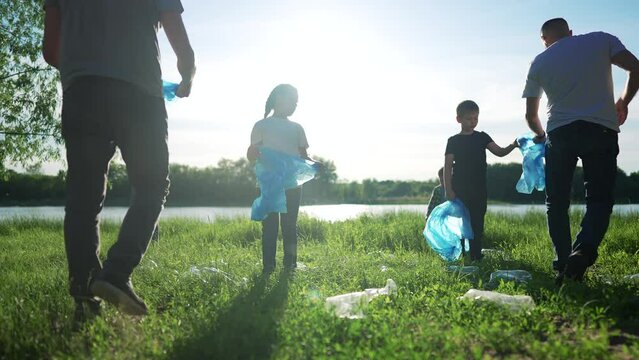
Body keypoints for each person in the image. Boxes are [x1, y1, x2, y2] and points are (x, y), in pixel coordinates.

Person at [42, 0, 196, 318]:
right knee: (152, 185)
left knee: (84, 195)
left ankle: (85, 295)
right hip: (139, 95)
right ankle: (116, 272)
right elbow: (183, 48)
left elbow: (51, 50)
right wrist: (186, 79)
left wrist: (86, 69)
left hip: (82, 92)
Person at [522, 18, 639, 283]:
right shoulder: (600, 39)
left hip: (560, 133)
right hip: (601, 129)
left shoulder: (540, 61)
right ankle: (583, 252)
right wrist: (623, 101)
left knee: (557, 202)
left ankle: (564, 263)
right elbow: (636, 68)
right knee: (598, 199)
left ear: (544, 39)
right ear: (570, 33)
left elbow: (530, 115)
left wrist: (541, 136)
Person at [247, 84, 315, 275]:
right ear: (278, 99)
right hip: (268, 185)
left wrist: (315, 164)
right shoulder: (261, 126)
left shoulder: (297, 128)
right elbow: (253, 155)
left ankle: (290, 266)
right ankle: (268, 266)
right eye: (292, 100)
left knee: (289, 225)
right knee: (269, 227)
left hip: (292, 184)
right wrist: (251, 153)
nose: (295, 105)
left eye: (297, 102)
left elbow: (304, 156)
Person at [444, 100, 518, 261]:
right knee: (462, 223)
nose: (473, 122)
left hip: (479, 188)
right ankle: (462, 255)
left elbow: (499, 152)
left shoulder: (482, 137)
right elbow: (447, 166)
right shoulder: (453, 141)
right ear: (459, 119)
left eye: (476, 118)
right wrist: (448, 190)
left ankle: (476, 256)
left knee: (477, 222)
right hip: (459, 189)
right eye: (469, 119)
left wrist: (513, 145)